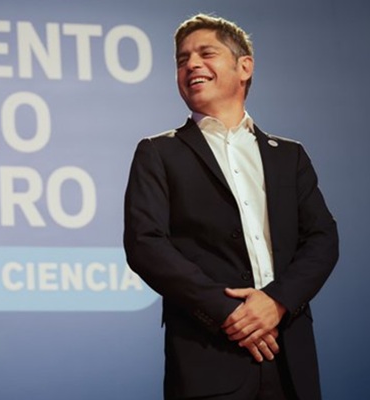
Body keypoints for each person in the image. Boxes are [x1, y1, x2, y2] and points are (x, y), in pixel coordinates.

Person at [123, 14, 338, 400]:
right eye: (182, 59)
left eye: (206, 53)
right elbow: (146, 244)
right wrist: (229, 313)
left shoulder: (289, 156)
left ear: (245, 67)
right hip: (210, 358)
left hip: (290, 358)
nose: (191, 64)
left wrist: (277, 302)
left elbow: (322, 239)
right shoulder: (158, 153)